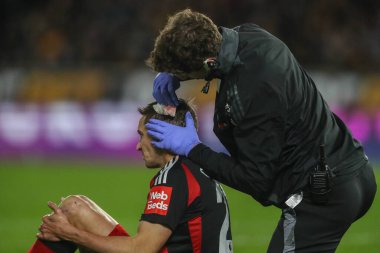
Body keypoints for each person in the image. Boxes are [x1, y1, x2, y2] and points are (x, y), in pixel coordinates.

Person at [144, 9, 377, 253]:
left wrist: (193, 148)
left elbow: (256, 179)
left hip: (323, 195)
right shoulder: (250, 35)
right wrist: (174, 70)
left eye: (187, 74)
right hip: (352, 168)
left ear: (208, 63)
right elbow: (205, 41)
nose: (186, 79)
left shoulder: (255, 91)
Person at [29, 99, 233, 253]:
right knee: (75, 208)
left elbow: (141, 250)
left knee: (70, 215)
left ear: (160, 136)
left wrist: (69, 233)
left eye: (141, 135)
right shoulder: (196, 168)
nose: (137, 145)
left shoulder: (174, 178)